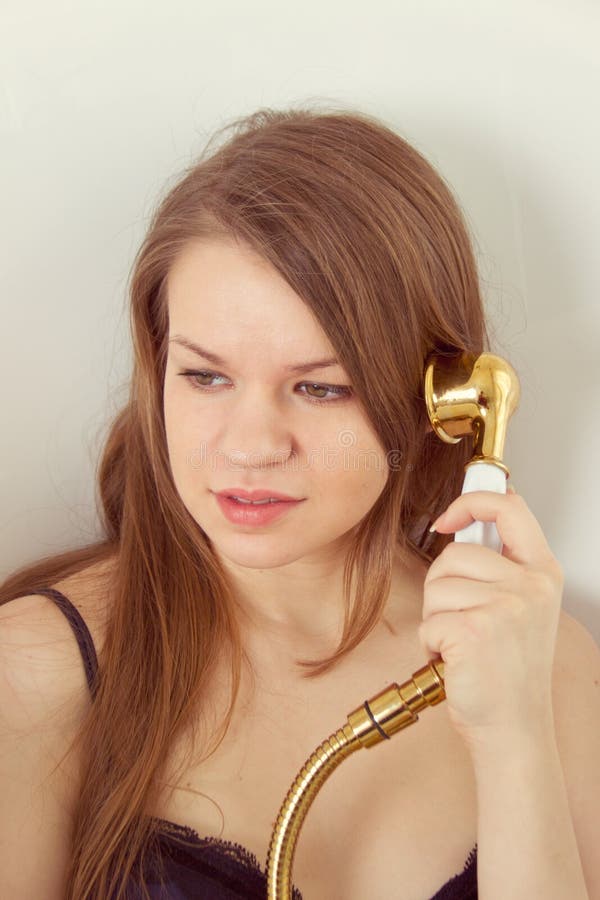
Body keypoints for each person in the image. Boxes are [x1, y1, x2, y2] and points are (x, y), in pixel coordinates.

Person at [0, 105, 597, 900]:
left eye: (321, 387)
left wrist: (514, 736)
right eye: (205, 376)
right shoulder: (34, 674)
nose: (249, 446)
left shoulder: (546, 666)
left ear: (440, 398)